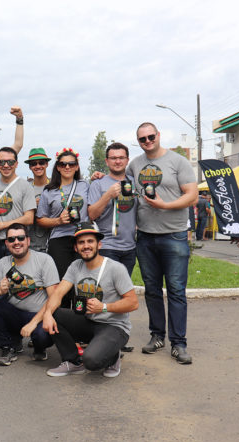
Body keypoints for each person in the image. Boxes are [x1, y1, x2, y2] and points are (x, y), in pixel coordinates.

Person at [30, 222, 139, 378]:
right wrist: (47, 314)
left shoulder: (115, 268)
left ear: (99, 244)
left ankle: (113, 355)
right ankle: (73, 362)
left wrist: (104, 307)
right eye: (81, 242)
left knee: (92, 361)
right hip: (90, 322)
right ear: (76, 247)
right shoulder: (75, 266)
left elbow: (133, 302)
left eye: (90, 241)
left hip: (114, 326)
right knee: (55, 313)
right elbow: (58, 293)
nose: (86, 246)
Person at [129, 122, 197, 365]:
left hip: (174, 235)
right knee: (152, 290)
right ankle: (157, 336)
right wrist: (100, 176)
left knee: (177, 291)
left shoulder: (178, 162)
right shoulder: (135, 164)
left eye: (150, 137)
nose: (147, 141)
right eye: (142, 139)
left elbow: (192, 195)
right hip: (146, 236)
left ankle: (179, 343)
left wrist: (165, 205)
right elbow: (125, 185)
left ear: (158, 135)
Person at [0, 147, 36, 349]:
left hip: (18, 244)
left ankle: (19, 331)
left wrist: (3, 225)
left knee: (18, 288)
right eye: (2, 162)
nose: (5, 165)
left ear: (16, 164)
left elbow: (29, 218)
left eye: (10, 162)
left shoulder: (24, 186)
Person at [0, 223, 59, 366]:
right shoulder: (3, 262)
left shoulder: (44, 260)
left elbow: (55, 297)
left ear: (28, 240)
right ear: (6, 243)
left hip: (38, 315)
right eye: (11, 239)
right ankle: (8, 345)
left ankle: (39, 348)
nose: (16, 242)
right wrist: (0, 290)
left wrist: (33, 323)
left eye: (20, 238)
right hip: (14, 313)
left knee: (42, 335)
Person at [36, 148, 89, 306]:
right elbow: (40, 219)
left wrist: (98, 176)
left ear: (77, 166)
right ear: (58, 167)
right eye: (63, 164)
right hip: (59, 240)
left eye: (71, 164)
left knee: (81, 284)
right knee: (62, 285)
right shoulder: (49, 191)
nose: (67, 167)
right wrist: (58, 221)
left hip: (82, 238)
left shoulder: (85, 185)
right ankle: (64, 323)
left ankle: (82, 322)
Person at [87, 142, 137, 277]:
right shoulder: (98, 184)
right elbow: (91, 215)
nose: (118, 161)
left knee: (124, 289)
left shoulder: (134, 182)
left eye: (121, 157)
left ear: (127, 160)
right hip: (107, 246)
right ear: (107, 161)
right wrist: (108, 195)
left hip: (130, 247)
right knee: (108, 290)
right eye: (113, 158)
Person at [25, 148, 51, 253]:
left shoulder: (56, 186)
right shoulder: (25, 188)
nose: (38, 166)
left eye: (41, 163)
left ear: (47, 164)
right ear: (30, 167)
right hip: (31, 245)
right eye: (34, 164)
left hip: (52, 242)